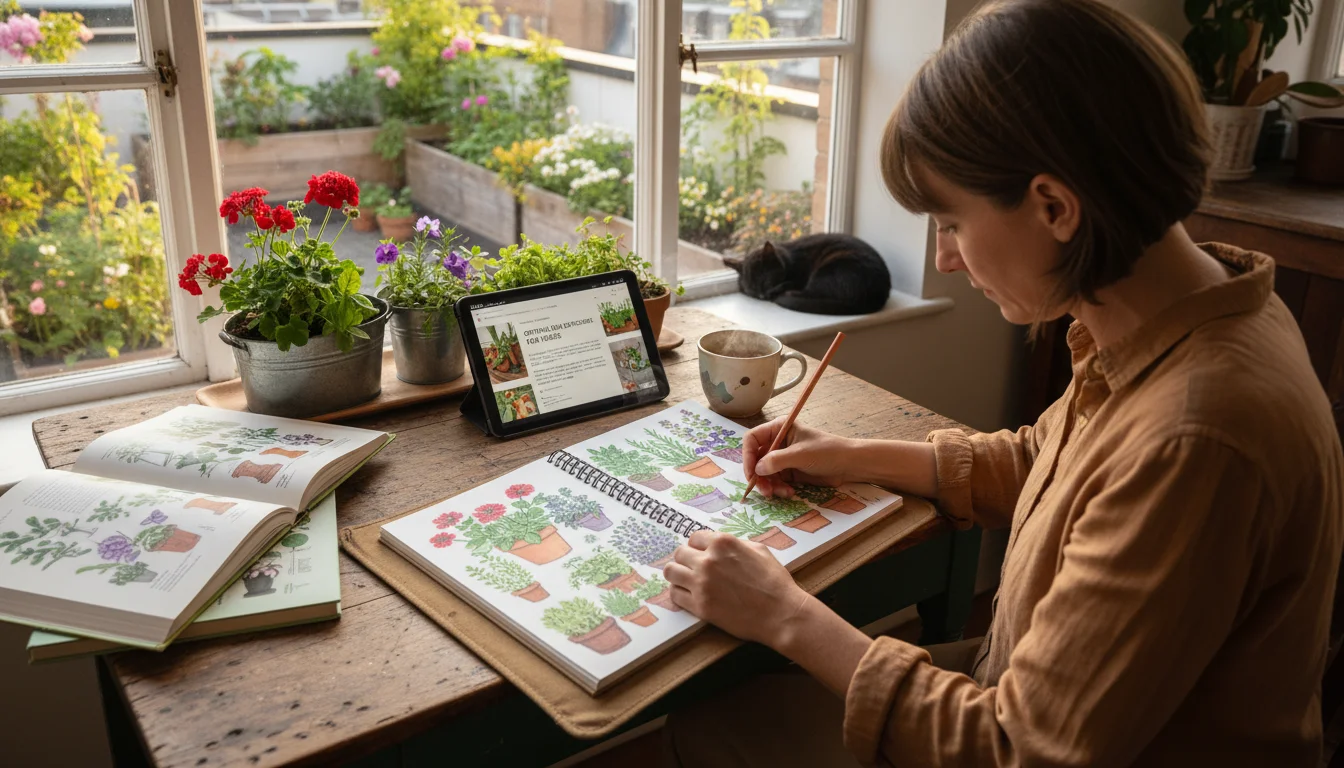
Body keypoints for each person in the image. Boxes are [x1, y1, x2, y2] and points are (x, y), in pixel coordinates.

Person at [660, 0, 1344, 765]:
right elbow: (1044, 465)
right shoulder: (1183, 317)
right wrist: (854, 455)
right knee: (719, 714)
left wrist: (784, 613)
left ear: (1054, 206)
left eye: (950, 224)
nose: (947, 260)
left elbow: (1019, 747)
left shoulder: (1197, 431)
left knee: (711, 727)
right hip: (1022, 691)